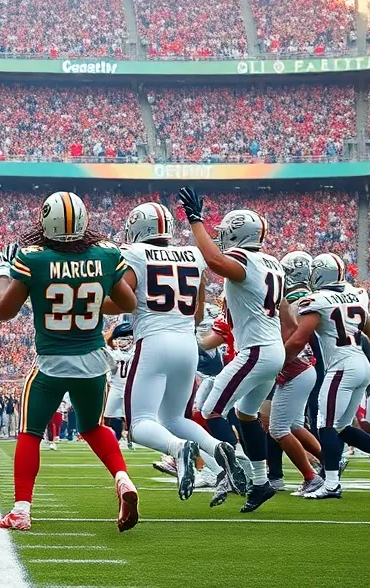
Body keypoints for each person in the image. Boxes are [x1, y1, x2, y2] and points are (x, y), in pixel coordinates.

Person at [0, 192, 139, 532]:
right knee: (93, 427)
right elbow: (127, 304)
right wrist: (91, 300)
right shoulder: (106, 255)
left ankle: (21, 510)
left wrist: (1, 273)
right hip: (94, 361)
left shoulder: (34, 258)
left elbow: (3, 311)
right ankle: (122, 478)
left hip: (52, 362)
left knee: (30, 432)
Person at [111, 201, 244, 505]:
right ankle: (218, 448)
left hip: (154, 341)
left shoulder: (134, 253)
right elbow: (198, 314)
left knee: (140, 425)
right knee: (173, 418)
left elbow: (122, 301)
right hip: (187, 343)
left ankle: (178, 449)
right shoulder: (193, 255)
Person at [178, 187, 286, 512]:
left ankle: (232, 469)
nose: (222, 237)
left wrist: (195, 220)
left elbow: (214, 260)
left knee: (211, 411)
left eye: (226, 232)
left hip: (256, 350)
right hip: (271, 349)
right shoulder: (271, 262)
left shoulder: (245, 260)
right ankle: (261, 482)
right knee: (245, 414)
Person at [282, 253, 370, 500]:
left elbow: (299, 340)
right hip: (362, 365)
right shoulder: (355, 296)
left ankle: (331, 484)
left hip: (341, 367)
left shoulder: (317, 300)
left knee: (325, 424)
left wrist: (279, 361)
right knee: (340, 427)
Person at [265, 251, 323, 496]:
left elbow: (294, 336)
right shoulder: (313, 297)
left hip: (296, 367)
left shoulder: (292, 300)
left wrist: (279, 362)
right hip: (308, 366)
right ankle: (330, 463)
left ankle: (310, 477)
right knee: (295, 424)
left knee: (278, 428)